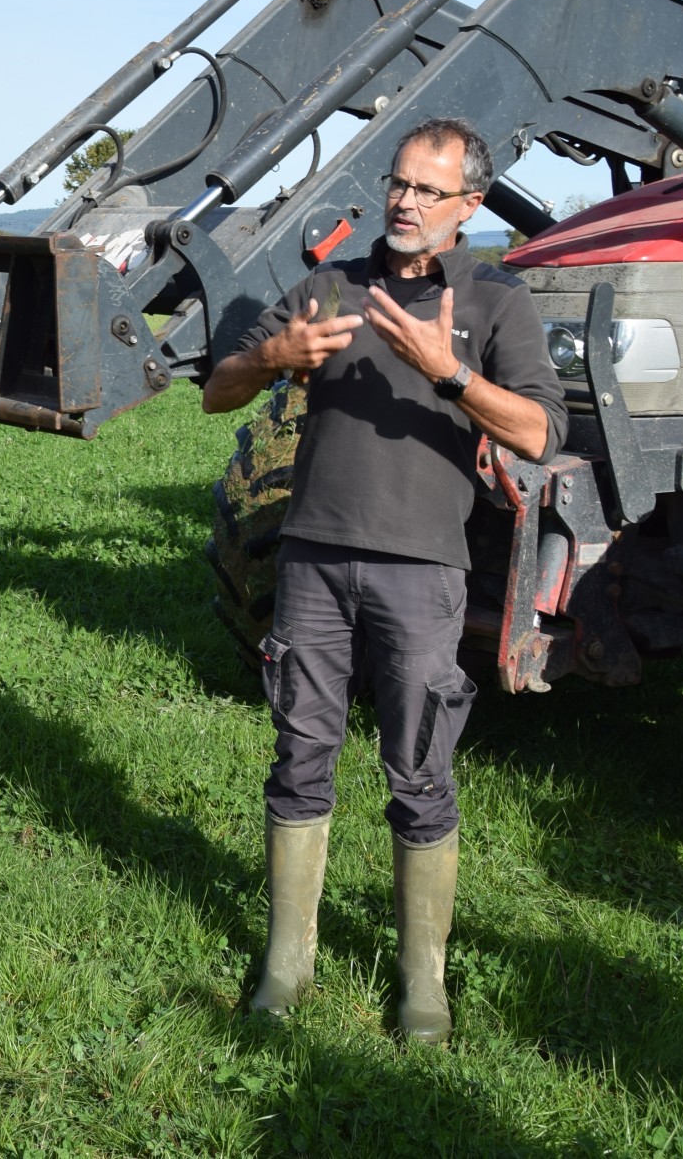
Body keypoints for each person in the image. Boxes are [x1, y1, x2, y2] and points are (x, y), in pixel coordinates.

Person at [201, 115, 566, 1044]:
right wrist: (269, 360)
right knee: (299, 758)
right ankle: (287, 966)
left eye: (426, 190)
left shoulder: (494, 302)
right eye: (397, 182)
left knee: (420, 774)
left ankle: (423, 985)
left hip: (425, 572)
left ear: (469, 206)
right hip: (314, 559)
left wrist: (450, 375)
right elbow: (218, 391)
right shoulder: (331, 286)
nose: (403, 202)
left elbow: (537, 433)